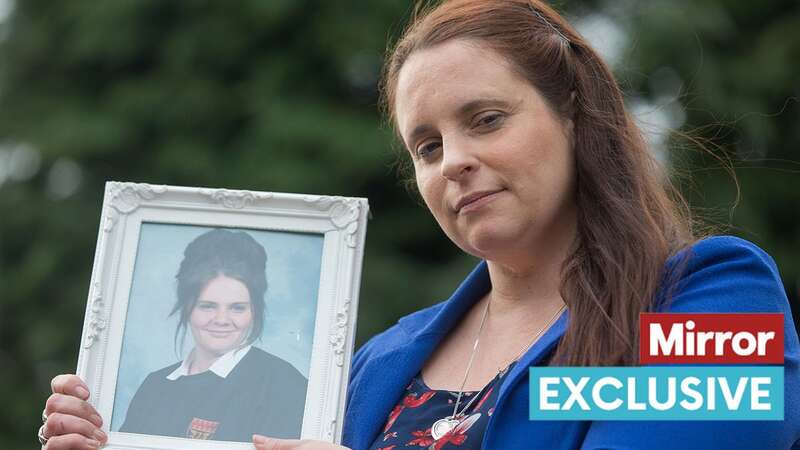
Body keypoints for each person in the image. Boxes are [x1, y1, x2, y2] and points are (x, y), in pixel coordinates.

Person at [38, 1, 799, 449]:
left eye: (488, 119)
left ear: (574, 115)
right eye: (427, 147)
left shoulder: (707, 295)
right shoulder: (375, 364)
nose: (455, 162)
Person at [95, 228, 308, 444]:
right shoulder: (154, 386)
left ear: (254, 311)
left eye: (237, 308)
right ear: (187, 307)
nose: (221, 319)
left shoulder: (285, 386)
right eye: (207, 306)